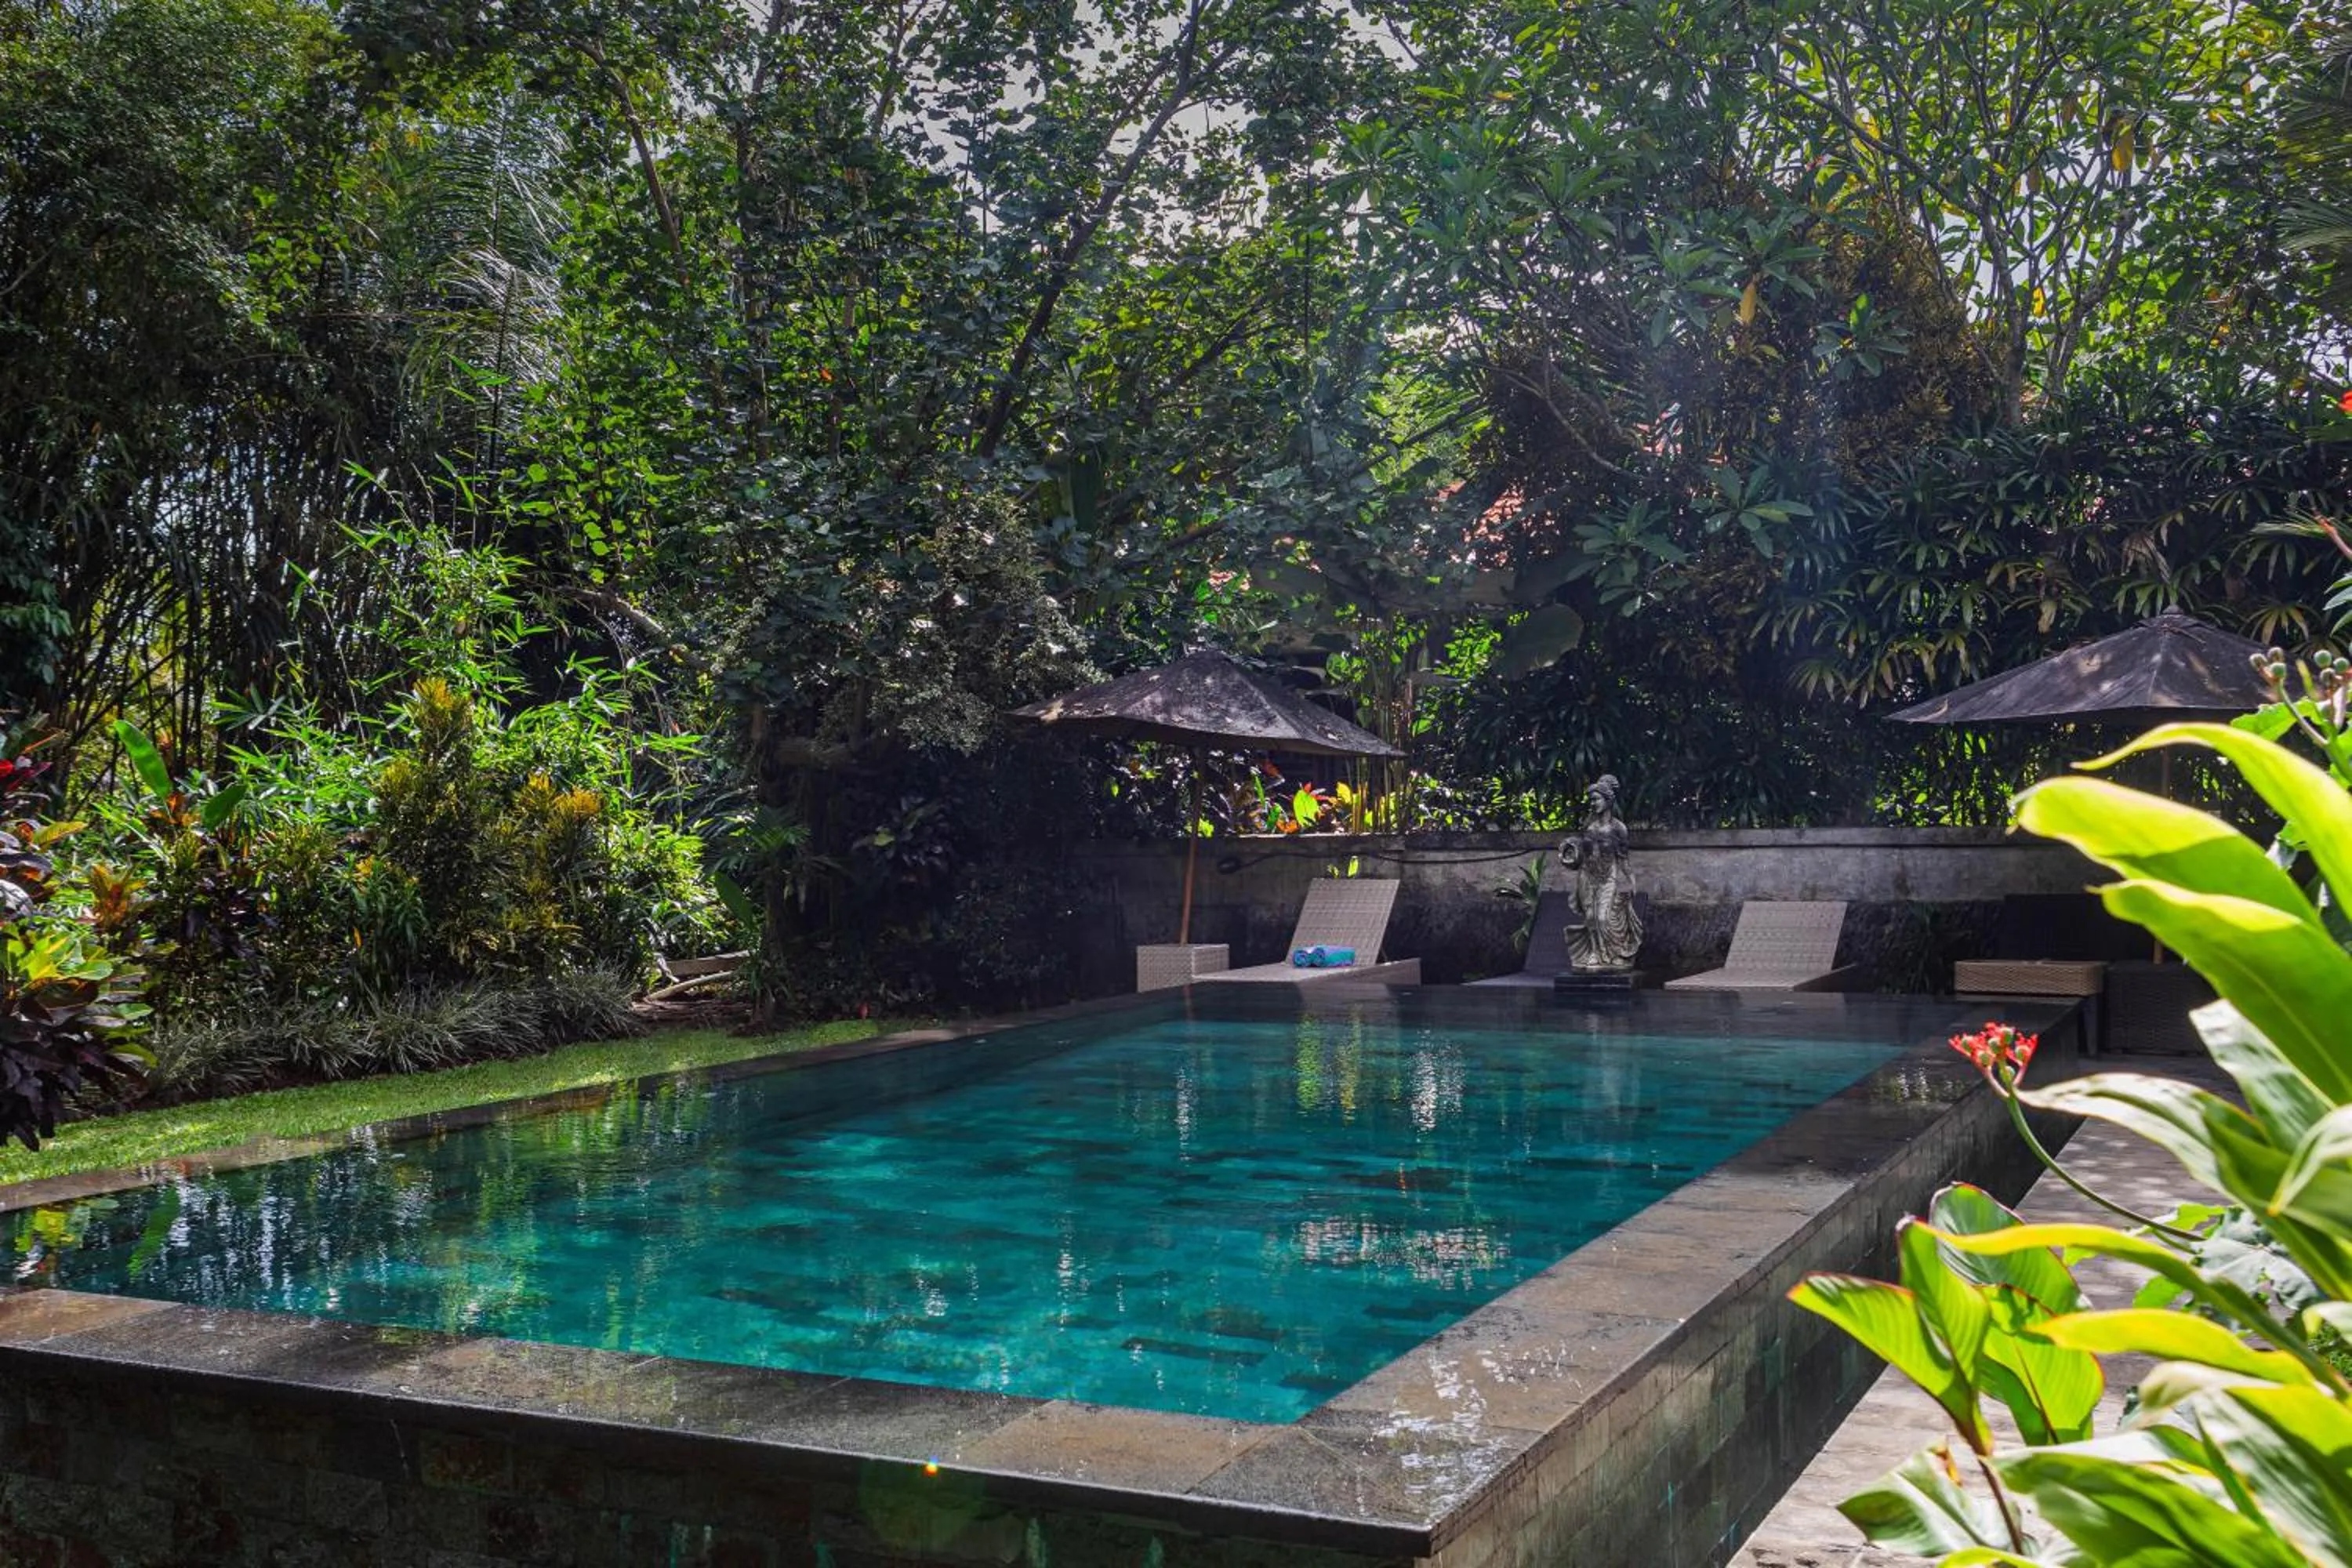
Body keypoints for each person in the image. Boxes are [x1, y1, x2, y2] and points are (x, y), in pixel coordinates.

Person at [1559, 774, 1641, 971]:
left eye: (1596, 799)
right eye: (1591, 800)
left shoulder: (1619, 828)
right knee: (1590, 918)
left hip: (1608, 877)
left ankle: (1614, 953)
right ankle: (1595, 953)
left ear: (1608, 800)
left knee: (1603, 918)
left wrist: (1631, 880)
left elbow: (1623, 858)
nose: (1593, 803)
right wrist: (1569, 854)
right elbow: (1581, 852)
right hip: (1587, 876)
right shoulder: (1589, 826)